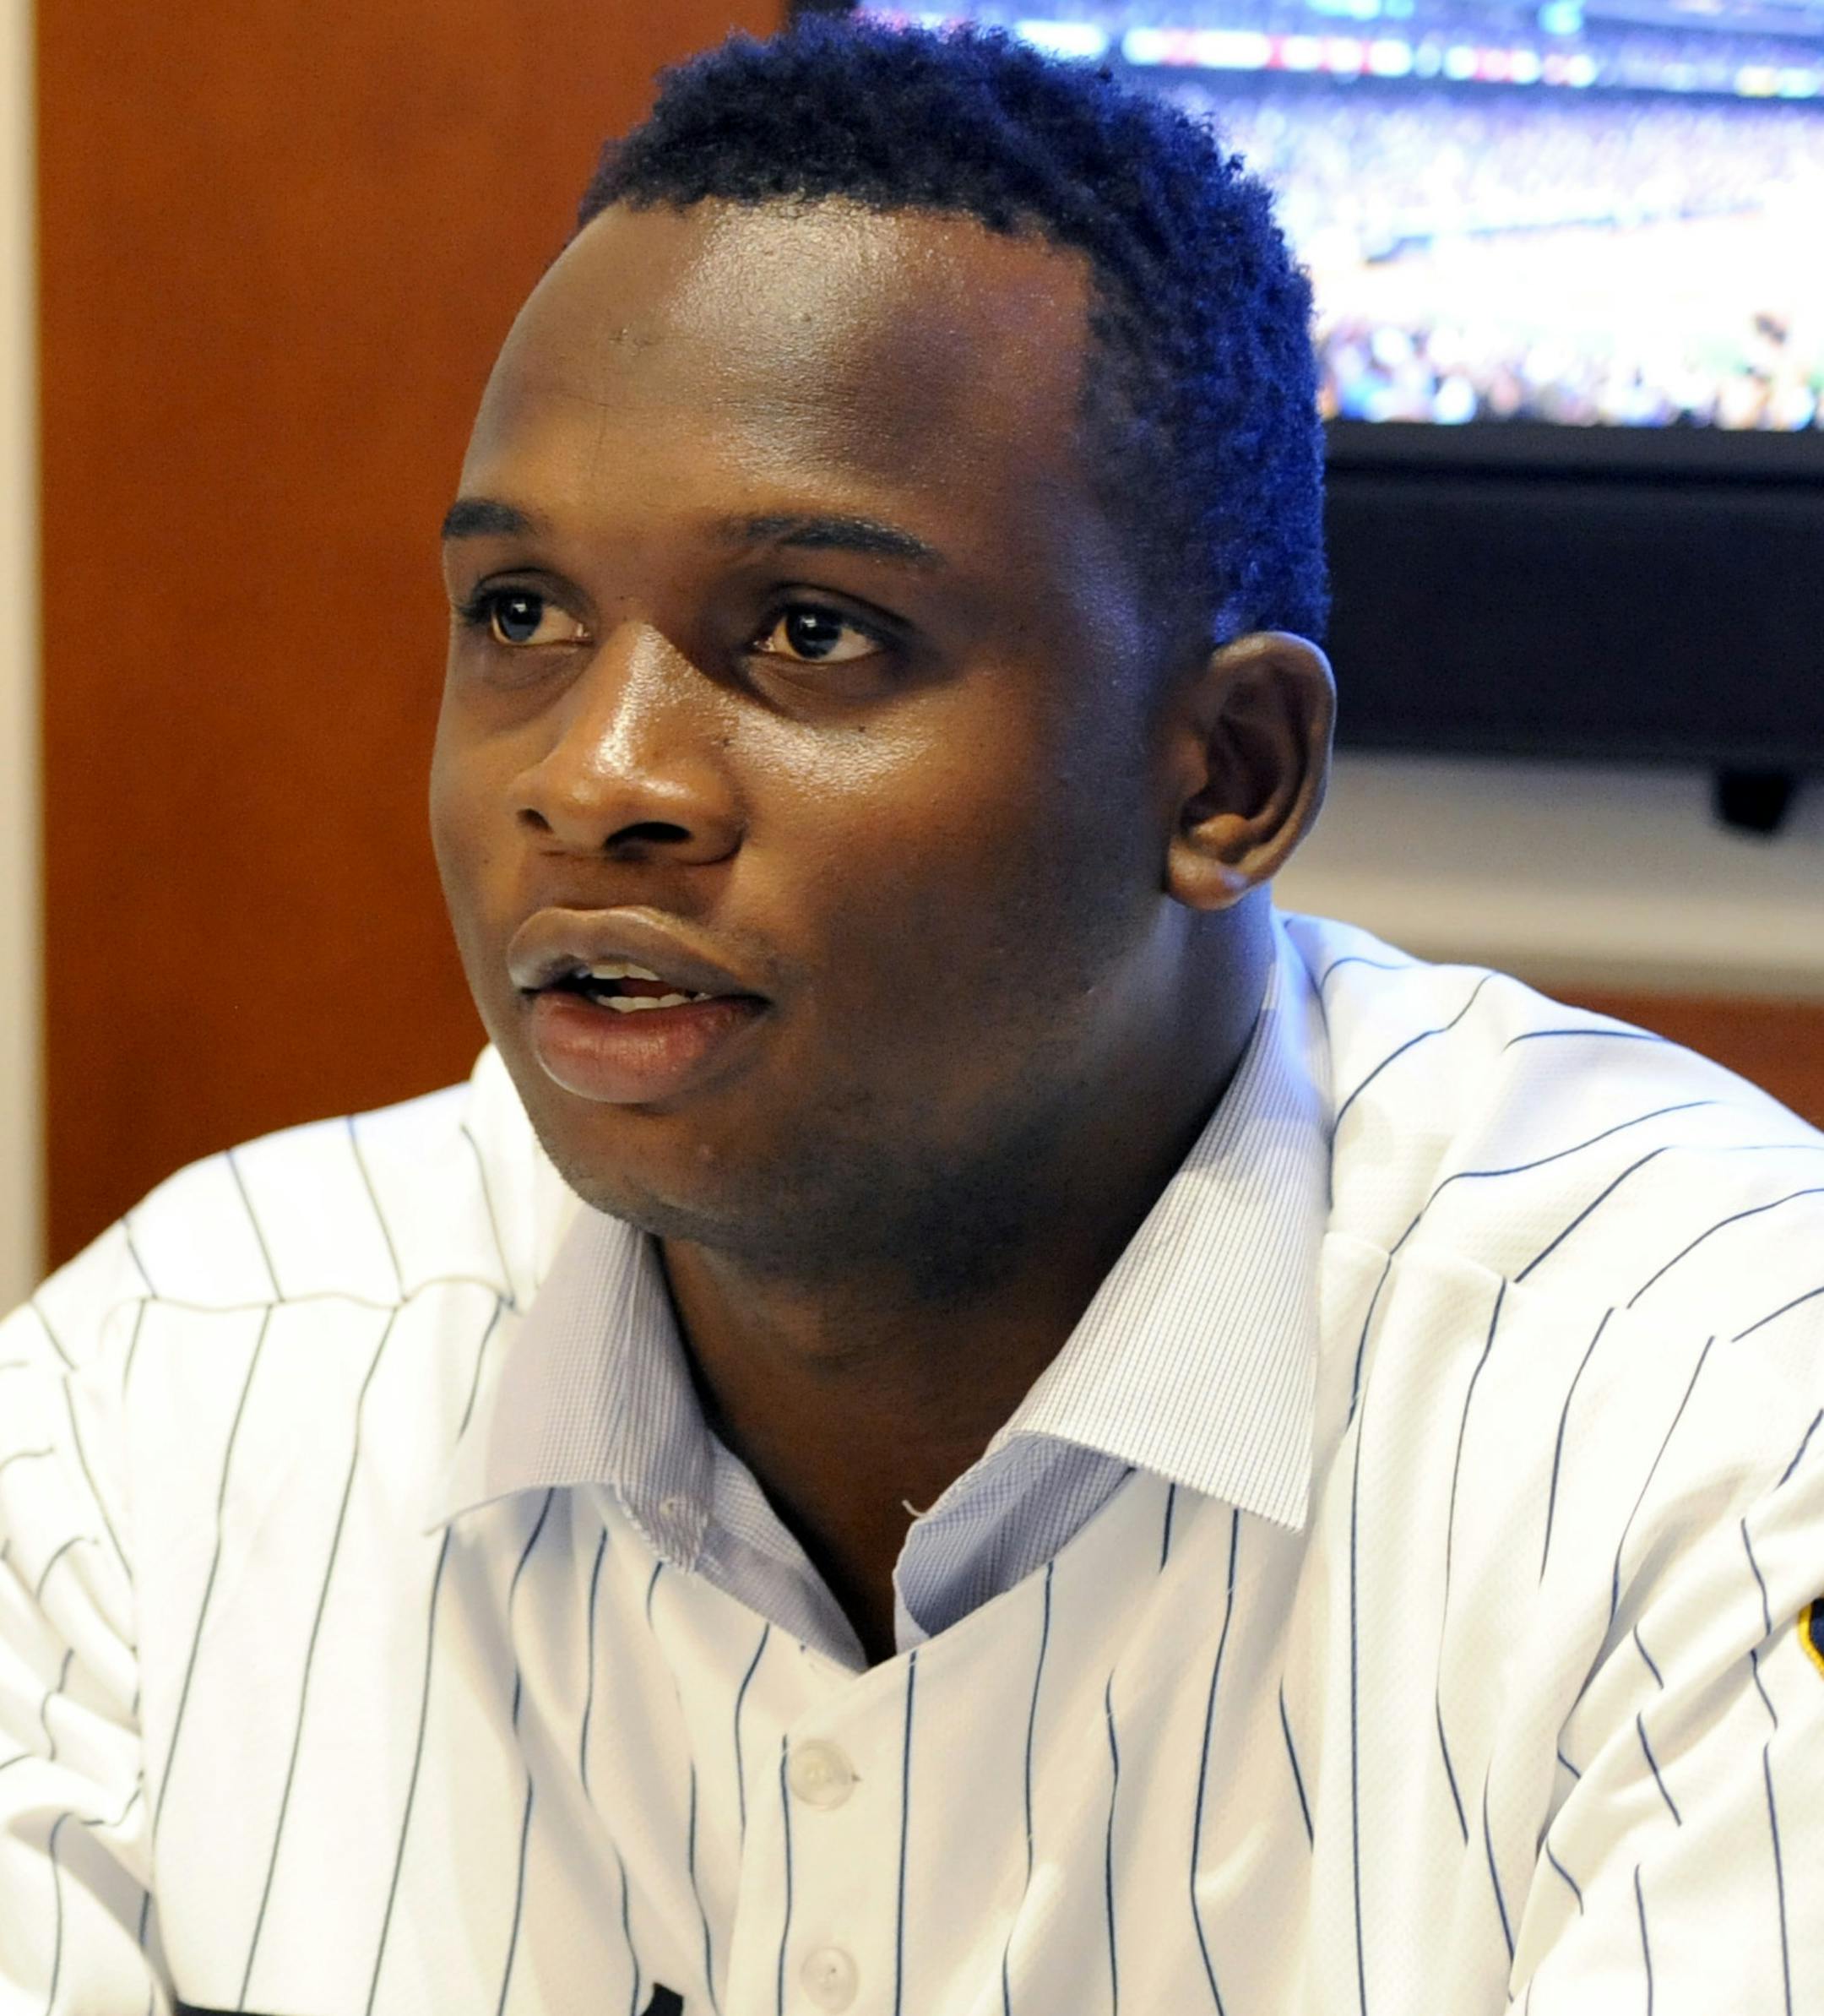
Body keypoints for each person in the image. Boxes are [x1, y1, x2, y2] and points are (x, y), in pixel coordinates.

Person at [3, 19, 1821, 2013]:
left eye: (809, 629)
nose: (596, 774)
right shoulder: (159, 1401)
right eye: (520, 614)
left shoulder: (1713, 1419)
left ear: (1228, 772)